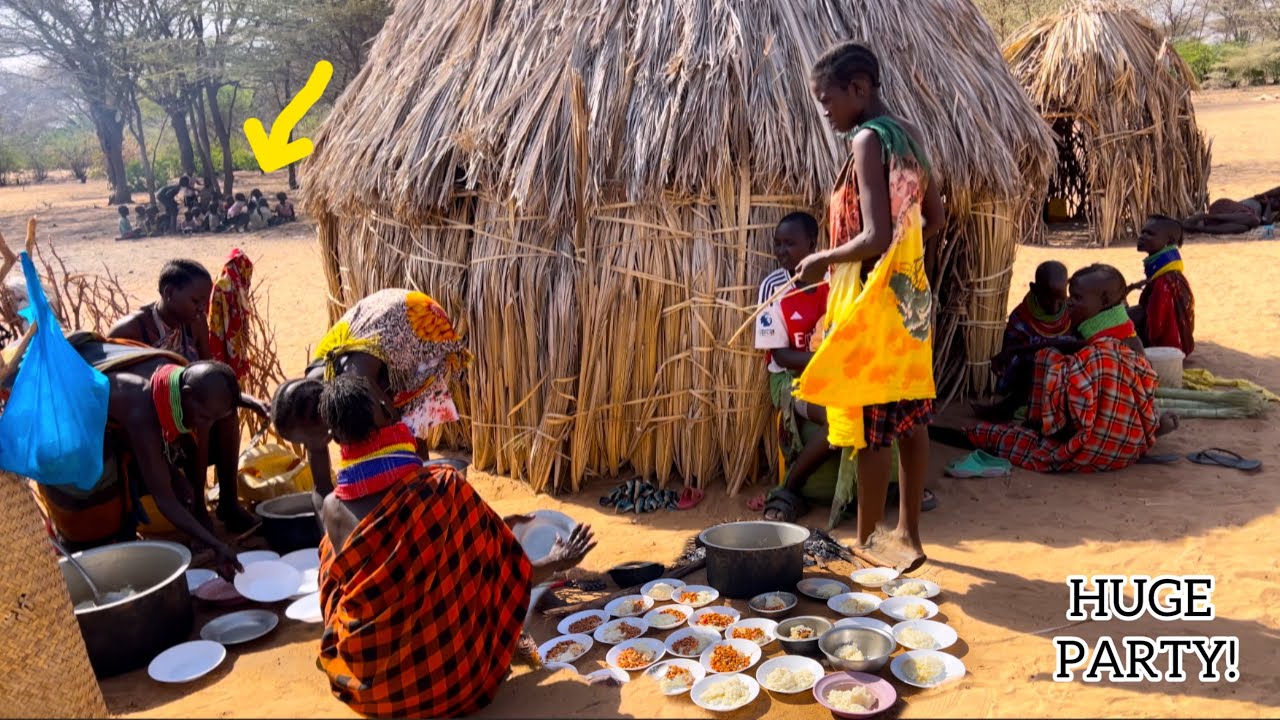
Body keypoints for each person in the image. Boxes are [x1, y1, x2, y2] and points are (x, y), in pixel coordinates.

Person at [313, 373, 598, 718]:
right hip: (453, 683)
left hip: (374, 692)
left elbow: (381, 572)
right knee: (460, 562)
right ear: (387, 414)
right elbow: (499, 569)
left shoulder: (332, 508)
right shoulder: (443, 487)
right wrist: (556, 560)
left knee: (330, 558)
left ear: (333, 436)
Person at [791, 42, 945, 572]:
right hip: (911, 297)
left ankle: (869, 540)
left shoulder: (865, 140)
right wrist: (906, 258)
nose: (824, 110)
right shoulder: (909, 137)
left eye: (826, 98)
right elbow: (936, 218)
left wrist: (822, 260)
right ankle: (909, 534)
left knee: (874, 422)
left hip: (876, 297)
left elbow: (876, 235)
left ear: (858, 88)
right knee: (910, 411)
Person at [33, 342, 246, 579]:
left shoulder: (173, 376)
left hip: (107, 412)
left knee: (176, 486)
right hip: (61, 421)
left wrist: (180, 484)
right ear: (185, 394)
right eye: (204, 416)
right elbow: (164, 499)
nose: (205, 425)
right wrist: (217, 546)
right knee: (96, 530)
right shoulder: (142, 410)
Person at [966, 264, 1178, 473]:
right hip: (1125, 433)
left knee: (1048, 365)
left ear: (1103, 302)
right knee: (1047, 356)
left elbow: (1074, 410)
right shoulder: (1117, 332)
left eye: (1076, 298)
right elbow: (1068, 345)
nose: (1068, 303)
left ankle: (1041, 429)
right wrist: (1016, 351)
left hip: (1099, 441)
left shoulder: (1102, 353)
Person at [108, 259, 266, 530]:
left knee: (223, 416)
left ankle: (228, 504)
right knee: (198, 422)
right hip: (146, 431)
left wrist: (247, 400)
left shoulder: (194, 324)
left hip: (189, 415)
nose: (202, 308)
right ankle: (199, 511)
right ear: (169, 293)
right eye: (196, 300)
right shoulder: (131, 331)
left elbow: (210, 377)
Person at [271, 289, 470, 496]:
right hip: (375, 326)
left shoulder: (358, 382)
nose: (319, 441)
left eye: (314, 438)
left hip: (412, 318)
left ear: (324, 417)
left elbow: (398, 433)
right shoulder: (312, 400)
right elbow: (321, 487)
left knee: (408, 419)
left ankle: (426, 487)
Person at [979, 261, 1079, 421]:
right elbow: (1009, 361)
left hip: (1060, 381)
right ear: (1034, 288)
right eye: (1047, 299)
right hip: (1026, 381)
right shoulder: (1020, 318)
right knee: (1033, 361)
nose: (1054, 307)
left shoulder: (1073, 313)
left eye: (1060, 299)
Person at [1129, 215, 1194, 356]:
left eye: (1150, 234)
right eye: (1143, 232)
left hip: (1166, 350)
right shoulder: (1169, 276)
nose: (1142, 237)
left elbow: (1156, 326)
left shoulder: (1163, 283)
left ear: (1169, 241)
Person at [1181, 188, 1279, 235]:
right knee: (1253, 220)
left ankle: (1200, 229)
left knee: (1242, 228)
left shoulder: (1269, 211)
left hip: (1232, 219)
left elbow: (1265, 223)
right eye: (1275, 199)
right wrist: (1268, 205)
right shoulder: (1258, 200)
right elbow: (1262, 222)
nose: (1274, 201)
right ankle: (1205, 217)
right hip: (1223, 207)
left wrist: (1268, 206)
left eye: (1278, 202)